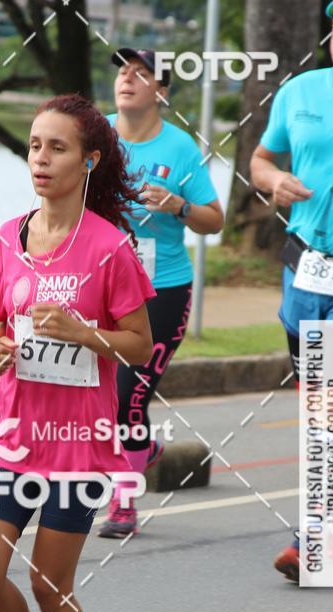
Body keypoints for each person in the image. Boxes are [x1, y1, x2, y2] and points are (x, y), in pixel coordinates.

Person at [0, 94, 155, 612]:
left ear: (88, 160)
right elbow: (0, 326)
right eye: (35, 146)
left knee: (50, 582)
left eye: (57, 148)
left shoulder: (110, 249)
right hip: (13, 431)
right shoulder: (8, 238)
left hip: (77, 443)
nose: (40, 159)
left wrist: (84, 332)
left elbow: (137, 344)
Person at [250, 0, 333, 583]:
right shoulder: (300, 93)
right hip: (305, 269)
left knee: (330, 408)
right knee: (326, 413)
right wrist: (273, 181)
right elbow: (262, 157)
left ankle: (315, 538)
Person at [99, 48, 224, 538]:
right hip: (107, 285)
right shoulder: (97, 136)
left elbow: (214, 221)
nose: (127, 79)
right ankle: (142, 450)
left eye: (142, 74)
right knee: (109, 393)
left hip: (164, 289)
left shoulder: (180, 149)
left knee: (130, 395)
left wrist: (177, 205)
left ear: (162, 92)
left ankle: (123, 504)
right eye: (123, 72)